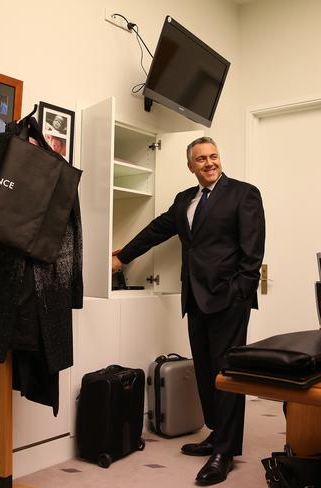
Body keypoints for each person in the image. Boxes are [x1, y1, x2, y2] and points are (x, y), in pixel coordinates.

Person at [111, 136, 265, 485]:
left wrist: (241, 291)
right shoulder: (184, 200)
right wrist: (123, 256)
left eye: (214, 156)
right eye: (201, 159)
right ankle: (216, 432)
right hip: (194, 298)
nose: (209, 163)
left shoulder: (244, 194)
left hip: (229, 299)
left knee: (228, 375)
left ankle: (224, 451)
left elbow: (253, 251)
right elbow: (157, 230)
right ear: (190, 165)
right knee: (207, 371)